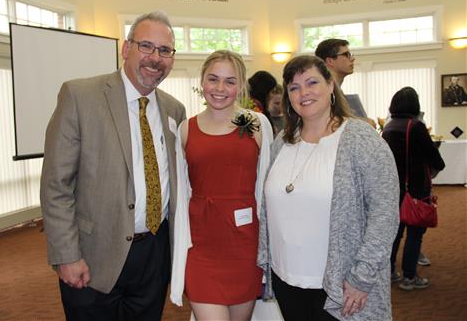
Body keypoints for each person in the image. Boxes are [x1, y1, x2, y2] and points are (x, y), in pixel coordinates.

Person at [40, 11, 186, 321]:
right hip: (94, 257)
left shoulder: (175, 110)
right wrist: (66, 255)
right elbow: (56, 185)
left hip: (155, 255)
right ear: (126, 49)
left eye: (165, 51)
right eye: (146, 46)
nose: (155, 58)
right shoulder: (80, 96)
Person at [257, 55, 400, 320]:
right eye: (294, 87)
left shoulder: (360, 139)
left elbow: (385, 214)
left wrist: (362, 277)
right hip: (287, 279)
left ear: (331, 85)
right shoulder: (282, 142)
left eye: (312, 82)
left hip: (340, 285)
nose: (304, 93)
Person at [170, 50, 273, 320]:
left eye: (230, 81)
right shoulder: (185, 129)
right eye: (213, 79)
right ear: (202, 81)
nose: (220, 88)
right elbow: (180, 192)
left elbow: (267, 187)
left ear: (240, 86)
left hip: (244, 246)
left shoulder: (252, 123)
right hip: (201, 245)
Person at [382, 87, 445, 291]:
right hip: (415, 188)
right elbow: (437, 161)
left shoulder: (389, 127)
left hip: (393, 188)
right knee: (415, 233)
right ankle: (410, 276)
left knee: (395, 233)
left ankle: (390, 272)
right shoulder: (415, 126)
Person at [315, 39, 373, 124]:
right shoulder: (324, 91)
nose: (352, 58)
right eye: (346, 55)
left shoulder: (336, 90)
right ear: (330, 61)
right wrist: (362, 123)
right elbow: (327, 123)